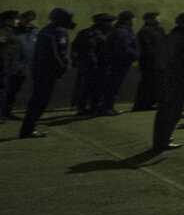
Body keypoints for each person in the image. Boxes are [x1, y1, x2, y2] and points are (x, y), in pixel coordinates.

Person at [148, 13, 184, 155]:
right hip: (178, 79)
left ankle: (160, 140)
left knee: (163, 111)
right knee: (173, 111)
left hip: (164, 78)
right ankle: (164, 141)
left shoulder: (167, 37)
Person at [19, 8, 76, 139]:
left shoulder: (46, 29)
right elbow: (59, 53)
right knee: (40, 101)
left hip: (40, 70)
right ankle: (28, 130)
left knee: (36, 100)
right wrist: (63, 67)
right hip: (47, 72)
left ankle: (27, 128)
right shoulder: (59, 31)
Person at [70, 12, 112, 114]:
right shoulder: (94, 34)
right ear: (103, 23)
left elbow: (74, 46)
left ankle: (90, 107)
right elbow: (90, 51)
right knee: (89, 87)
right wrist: (94, 64)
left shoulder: (91, 32)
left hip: (95, 65)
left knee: (92, 87)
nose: (112, 24)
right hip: (94, 66)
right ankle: (84, 108)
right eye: (110, 22)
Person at [100, 11, 139, 115]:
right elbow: (124, 47)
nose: (135, 21)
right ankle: (107, 108)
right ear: (129, 19)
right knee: (113, 85)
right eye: (134, 18)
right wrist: (135, 55)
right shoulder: (123, 32)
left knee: (114, 85)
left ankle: (108, 107)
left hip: (119, 62)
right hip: (118, 63)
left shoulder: (122, 30)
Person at [132, 12, 166, 111]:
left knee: (156, 83)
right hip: (149, 62)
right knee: (147, 83)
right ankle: (141, 104)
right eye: (155, 17)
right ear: (148, 19)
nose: (158, 18)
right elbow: (147, 48)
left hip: (159, 60)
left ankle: (150, 102)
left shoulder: (160, 29)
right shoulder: (144, 31)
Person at [0, 11, 21, 121]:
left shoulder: (11, 31)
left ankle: (5, 114)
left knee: (6, 91)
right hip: (3, 67)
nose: (17, 21)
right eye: (16, 18)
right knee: (1, 91)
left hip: (9, 67)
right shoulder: (3, 31)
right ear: (9, 20)